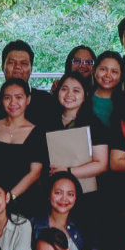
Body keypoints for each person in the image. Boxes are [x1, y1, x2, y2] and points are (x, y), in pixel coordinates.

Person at [45, 73, 111, 218]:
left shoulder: (95, 125)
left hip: (86, 195)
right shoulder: (48, 122)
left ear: (85, 95)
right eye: (64, 89)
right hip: (52, 195)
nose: (69, 94)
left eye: (76, 90)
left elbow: (102, 164)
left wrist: (68, 171)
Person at [0, 79, 45, 218]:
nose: (13, 103)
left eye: (19, 97)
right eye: (7, 98)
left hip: (24, 198)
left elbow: (34, 173)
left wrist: (9, 197)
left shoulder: (37, 132)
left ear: (28, 100)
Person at [39, 173, 101, 250]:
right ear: (49, 194)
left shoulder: (86, 222)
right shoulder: (35, 224)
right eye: (58, 193)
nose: (64, 199)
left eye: (70, 194)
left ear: (76, 197)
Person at [0, 40, 59, 126]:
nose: (17, 67)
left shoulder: (46, 101)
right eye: (11, 62)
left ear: (31, 68)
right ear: (3, 66)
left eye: (24, 63)